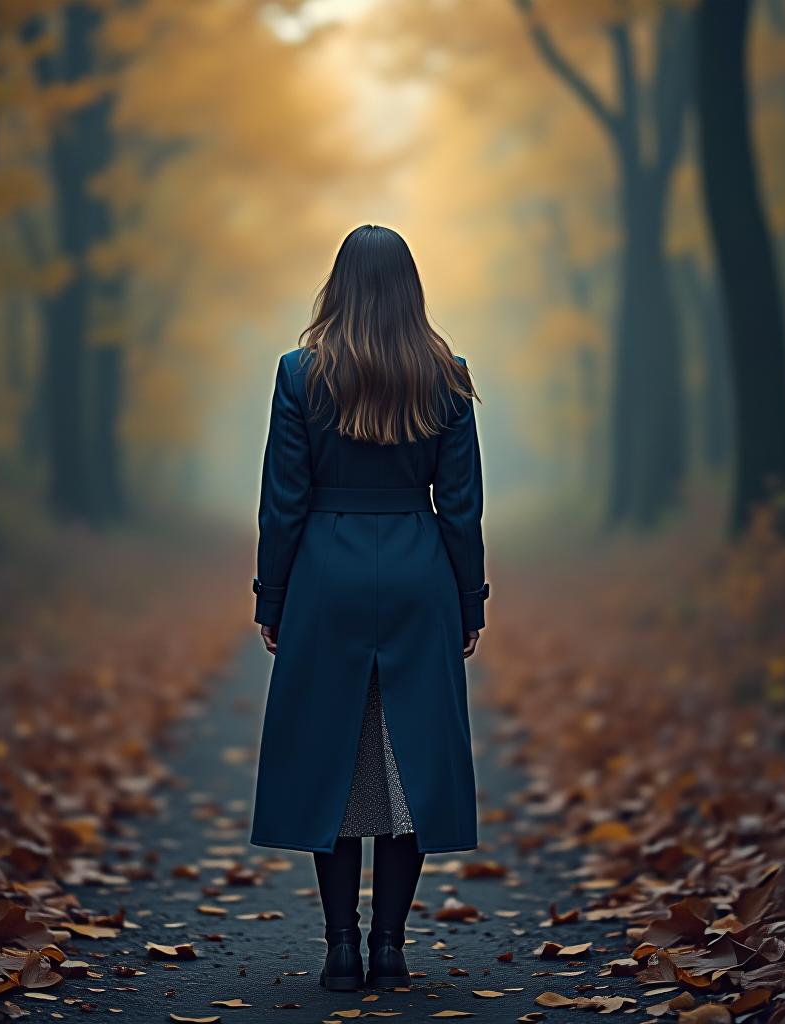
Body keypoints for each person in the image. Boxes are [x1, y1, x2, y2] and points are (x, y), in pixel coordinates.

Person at [249, 224, 489, 991]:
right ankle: (391, 946)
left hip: (326, 574)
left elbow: (282, 504)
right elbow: (461, 508)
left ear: (338, 285)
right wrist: (469, 599)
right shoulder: (446, 376)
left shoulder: (299, 374)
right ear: (411, 289)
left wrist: (274, 596)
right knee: (408, 762)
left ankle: (341, 948)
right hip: (420, 575)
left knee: (332, 760)